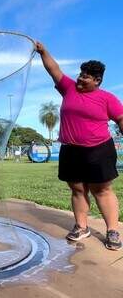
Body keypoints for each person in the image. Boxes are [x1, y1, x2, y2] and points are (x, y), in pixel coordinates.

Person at [36, 42, 123, 250]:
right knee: (77, 189)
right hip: (71, 149)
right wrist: (43, 51)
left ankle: (112, 230)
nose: (80, 78)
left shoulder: (107, 98)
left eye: (86, 76)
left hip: (99, 149)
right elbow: (53, 69)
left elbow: (120, 118)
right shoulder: (69, 89)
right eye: (81, 74)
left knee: (101, 190)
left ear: (97, 80)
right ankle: (82, 226)